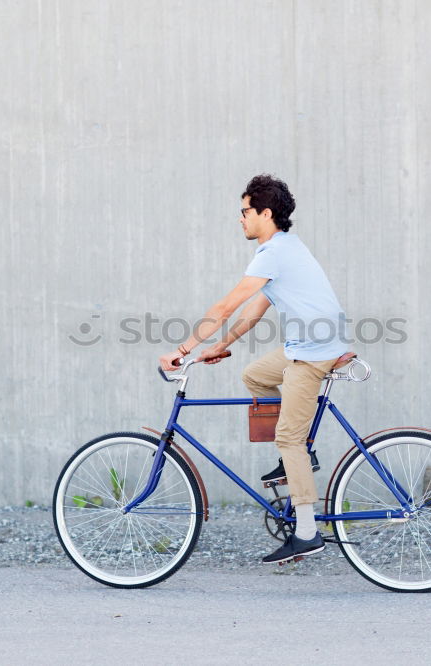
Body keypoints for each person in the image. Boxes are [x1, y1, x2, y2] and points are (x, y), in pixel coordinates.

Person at [158, 174, 350, 564]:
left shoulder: (274, 253)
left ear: (265, 213)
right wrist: (221, 346)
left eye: (245, 211)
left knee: (289, 438)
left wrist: (183, 350)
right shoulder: (282, 248)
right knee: (255, 376)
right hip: (309, 344)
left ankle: (308, 532)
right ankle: (299, 458)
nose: (240, 218)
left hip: (312, 353)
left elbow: (226, 306)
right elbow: (254, 310)